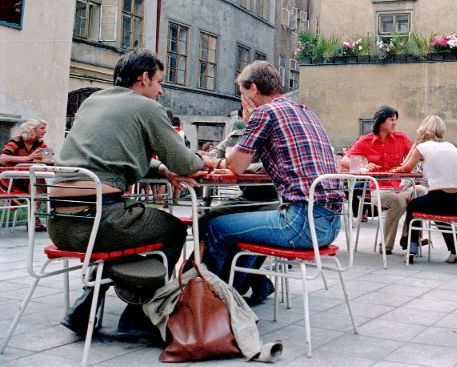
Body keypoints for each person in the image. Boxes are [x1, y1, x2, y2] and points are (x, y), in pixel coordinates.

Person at [51, 50, 214, 340]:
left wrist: (162, 170)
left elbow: (105, 156)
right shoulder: (146, 107)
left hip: (60, 223)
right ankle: (139, 314)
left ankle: (88, 302)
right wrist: (204, 161)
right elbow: (187, 163)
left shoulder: (93, 100)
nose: (161, 90)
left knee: (133, 233)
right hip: (100, 222)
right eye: (159, 81)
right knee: (173, 230)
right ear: (143, 78)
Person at [204, 60, 346, 303]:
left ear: (254, 89)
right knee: (243, 225)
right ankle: (234, 296)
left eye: (242, 93)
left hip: (301, 224)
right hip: (330, 225)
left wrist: (248, 125)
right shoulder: (306, 111)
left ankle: (214, 305)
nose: (242, 100)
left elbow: (235, 166)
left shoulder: (265, 112)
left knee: (216, 226)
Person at [341, 106, 413, 253]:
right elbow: (345, 160)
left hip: (400, 186)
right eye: (391, 120)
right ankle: (386, 245)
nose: (395, 123)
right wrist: (363, 166)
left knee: (421, 192)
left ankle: (409, 237)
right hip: (378, 189)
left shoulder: (401, 138)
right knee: (397, 201)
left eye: (395, 120)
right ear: (381, 122)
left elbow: (414, 156)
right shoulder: (365, 140)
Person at [393, 115, 457, 263]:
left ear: (423, 129)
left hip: (439, 199)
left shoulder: (423, 147)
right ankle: (454, 250)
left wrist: (415, 144)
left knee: (413, 205)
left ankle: (411, 247)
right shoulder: (450, 146)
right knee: (438, 215)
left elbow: (405, 168)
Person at [1, 118, 50, 231]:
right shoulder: (17, 141)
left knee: (37, 179)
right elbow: (3, 158)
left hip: (28, 178)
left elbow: (49, 160)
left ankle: (34, 218)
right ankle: (34, 219)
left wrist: (48, 160)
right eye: (42, 128)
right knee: (37, 181)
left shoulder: (40, 144)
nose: (45, 131)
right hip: (10, 180)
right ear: (32, 129)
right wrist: (27, 158)